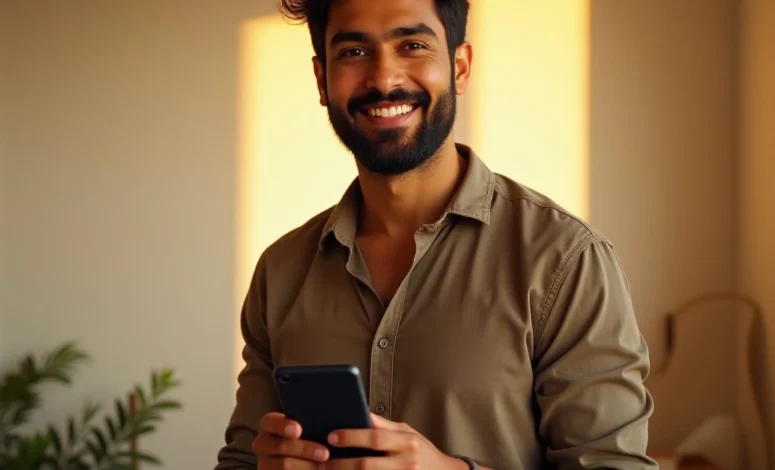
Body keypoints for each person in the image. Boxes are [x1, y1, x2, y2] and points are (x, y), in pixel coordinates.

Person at [216, 0, 657, 468]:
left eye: (413, 45)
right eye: (353, 52)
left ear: (460, 66)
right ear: (322, 80)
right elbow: (241, 460)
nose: (384, 80)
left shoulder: (567, 260)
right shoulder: (281, 271)